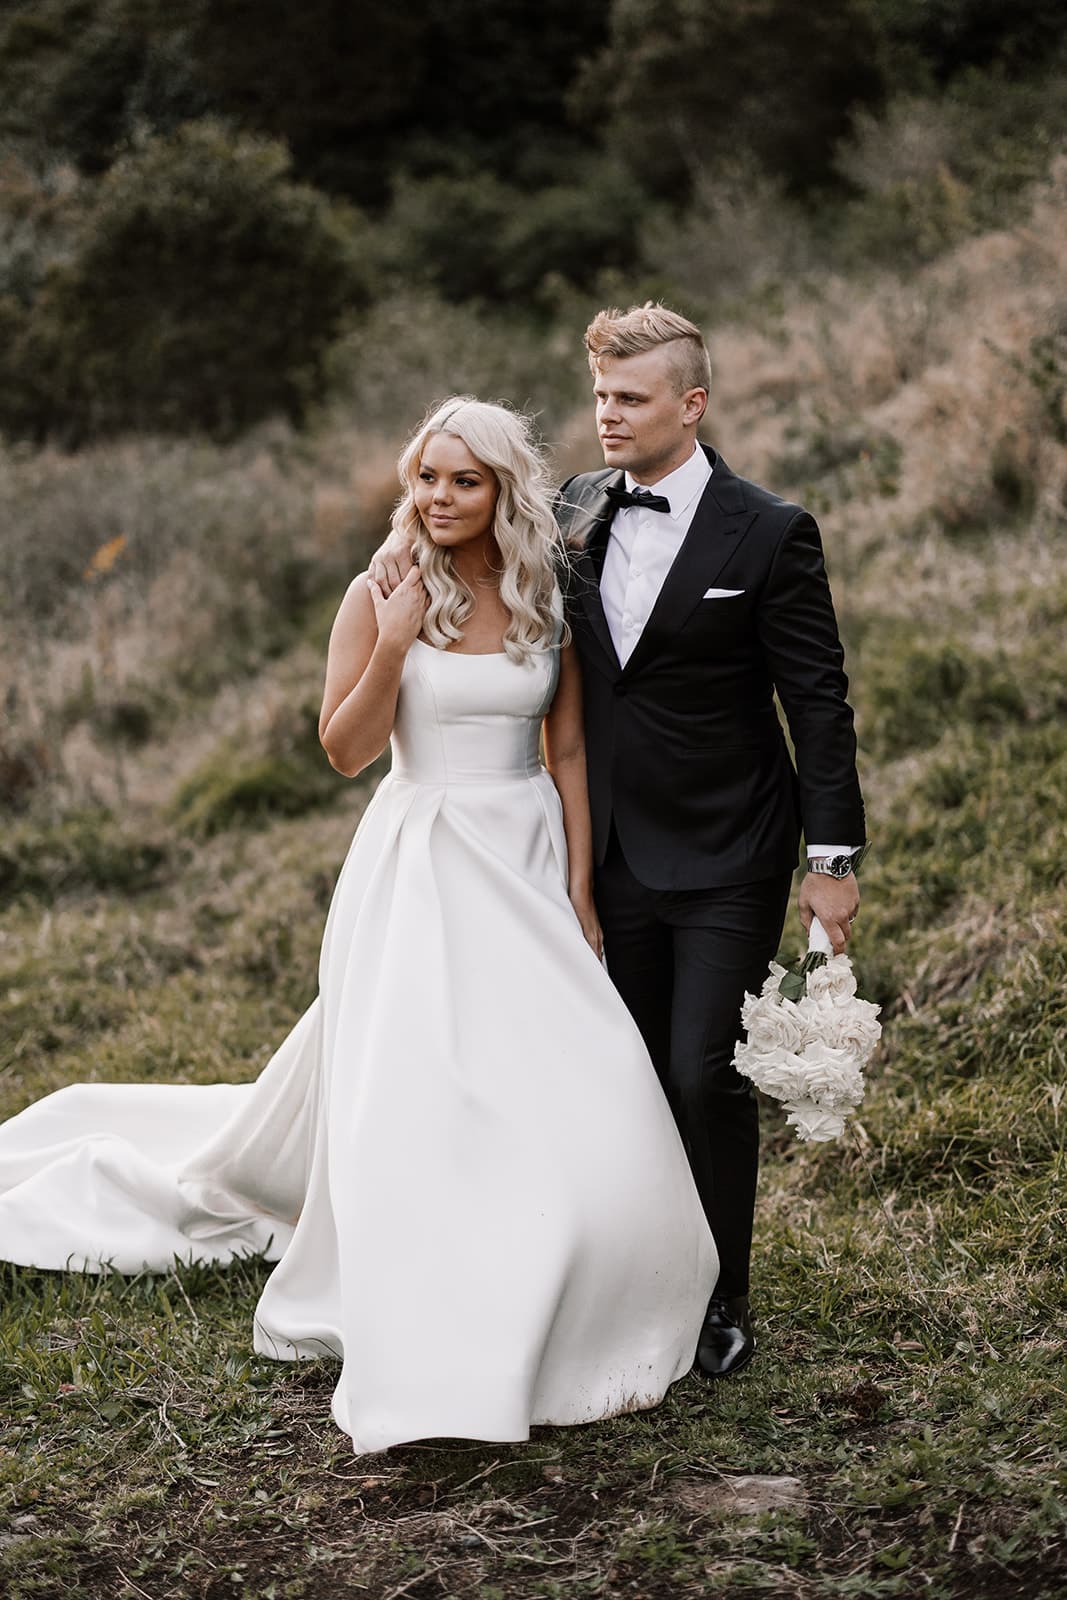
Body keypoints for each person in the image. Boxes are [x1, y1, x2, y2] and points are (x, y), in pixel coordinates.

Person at [0, 398, 717, 1455]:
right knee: (423, 1069)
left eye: (461, 481)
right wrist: (387, 644)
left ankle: (592, 1254)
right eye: (424, 476)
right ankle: (433, 1255)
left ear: (501, 493)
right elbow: (343, 748)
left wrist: (575, 885)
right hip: (420, 852)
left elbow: (564, 754)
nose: (436, 497)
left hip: (520, 847)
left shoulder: (542, 591)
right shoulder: (377, 588)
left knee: (566, 1059)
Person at [371, 306, 867, 1381]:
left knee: (699, 1074)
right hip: (599, 854)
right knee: (623, 1077)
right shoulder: (570, 514)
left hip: (732, 847)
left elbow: (816, 705)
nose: (605, 416)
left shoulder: (768, 531)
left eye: (629, 399)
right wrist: (389, 586)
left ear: (689, 406)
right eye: (598, 395)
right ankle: (629, 1280)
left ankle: (722, 1292)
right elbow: (472, 550)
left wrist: (831, 863)